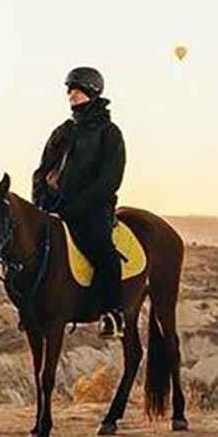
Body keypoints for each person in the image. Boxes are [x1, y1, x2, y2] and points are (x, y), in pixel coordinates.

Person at [32, 67, 128, 336]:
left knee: (103, 252)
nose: (70, 94)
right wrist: (39, 200)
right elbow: (42, 169)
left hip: (91, 209)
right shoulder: (62, 131)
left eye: (76, 89)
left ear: (92, 92)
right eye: (69, 89)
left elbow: (110, 179)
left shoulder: (109, 133)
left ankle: (112, 313)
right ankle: (30, 307)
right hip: (53, 207)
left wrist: (77, 207)